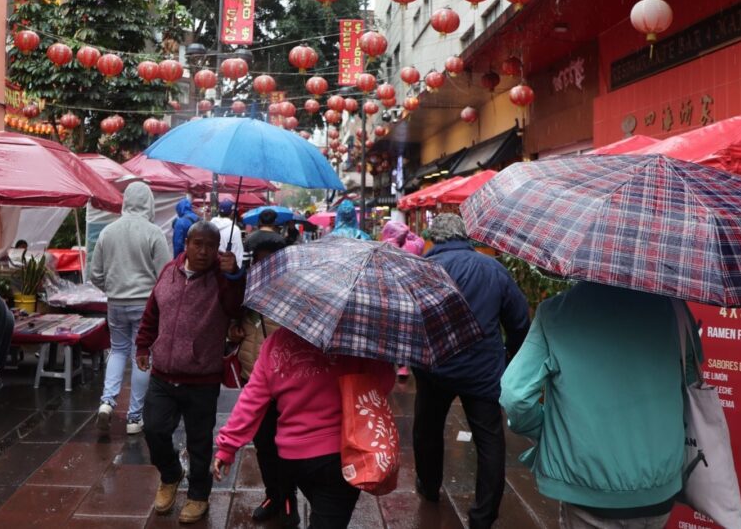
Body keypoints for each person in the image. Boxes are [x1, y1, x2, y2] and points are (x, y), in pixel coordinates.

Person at [501, 281, 699, 528]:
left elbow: (516, 397)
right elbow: (690, 376)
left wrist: (545, 431)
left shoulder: (557, 312)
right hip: (660, 485)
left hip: (587, 485)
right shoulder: (675, 311)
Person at [413, 213, 530, 529]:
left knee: (427, 428)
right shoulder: (492, 268)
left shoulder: (422, 270)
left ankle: (429, 485)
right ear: (465, 236)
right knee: (489, 440)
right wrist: (508, 357)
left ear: (433, 237)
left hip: (432, 367)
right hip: (481, 371)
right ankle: (484, 514)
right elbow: (519, 322)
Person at [213, 326, 394, 529]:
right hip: (340, 456)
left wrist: (227, 446)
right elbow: (384, 384)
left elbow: (252, 399)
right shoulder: (355, 340)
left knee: (322, 512)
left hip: (292, 457)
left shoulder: (275, 342)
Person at [136, 221, 245, 524]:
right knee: (154, 429)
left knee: (199, 441)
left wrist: (234, 274)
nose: (204, 251)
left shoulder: (222, 280)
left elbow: (237, 307)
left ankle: (198, 495)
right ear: (187, 243)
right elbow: (152, 312)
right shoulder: (169, 271)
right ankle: (170, 474)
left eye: (211, 245)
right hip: (163, 373)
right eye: (198, 244)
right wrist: (143, 346)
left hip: (202, 377)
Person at [90, 181, 171, 435]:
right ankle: (134, 417)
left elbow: (95, 274)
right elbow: (166, 275)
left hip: (116, 303)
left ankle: (107, 402)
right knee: (141, 355)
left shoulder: (107, 232)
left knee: (117, 350)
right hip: (145, 305)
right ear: (148, 202)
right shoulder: (153, 232)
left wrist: (112, 288)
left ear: (125, 201)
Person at [232, 239, 297, 527]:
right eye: (258, 260)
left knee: (287, 444)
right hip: (253, 378)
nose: (264, 266)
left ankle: (288, 498)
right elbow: (230, 314)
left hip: (287, 383)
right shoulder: (245, 289)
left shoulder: (295, 290)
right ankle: (273, 495)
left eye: (270, 260)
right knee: (264, 444)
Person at [210, 198, 245, 267]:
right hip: (226, 268)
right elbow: (238, 254)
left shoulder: (209, 225)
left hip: (210, 267)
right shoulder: (235, 229)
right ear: (232, 213)